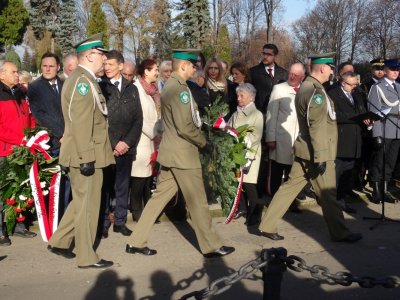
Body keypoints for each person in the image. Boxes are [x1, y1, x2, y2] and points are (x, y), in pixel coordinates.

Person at [125, 49, 234, 258]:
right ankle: (211, 245)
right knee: (198, 201)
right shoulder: (180, 89)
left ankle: (136, 241)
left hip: (172, 152)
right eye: (193, 65)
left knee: (158, 199)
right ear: (184, 65)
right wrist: (204, 142)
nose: (195, 69)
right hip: (183, 154)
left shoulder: (172, 86)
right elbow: (185, 125)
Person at [258, 52, 362, 243]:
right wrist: (322, 156)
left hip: (307, 149)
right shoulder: (315, 91)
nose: (332, 71)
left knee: (289, 188)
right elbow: (317, 126)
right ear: (323, 68)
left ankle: (267, 224)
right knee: (328, 193)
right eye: (331, 67)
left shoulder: (308, 87)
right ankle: (340, 233)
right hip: (317, 151)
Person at [47, 34, 115, 269]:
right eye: (100, 54)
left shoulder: (84, 79)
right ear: (88, 56)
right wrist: (87, 158)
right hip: (86, 155)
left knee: (80, 202)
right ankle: (86, 256)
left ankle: (60, 241)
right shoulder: (83, 82)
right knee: (88, 207)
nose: (104, 59)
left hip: (86, 152)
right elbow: (82, 122)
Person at [99, 50, 143, 238]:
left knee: (123, 186)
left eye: (110, 64)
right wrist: (114, 143)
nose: (106, 67)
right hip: (107, 147)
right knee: (105, 187)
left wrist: (127, 142)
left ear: (120, 66)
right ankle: (103, 224)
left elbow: (138, 119)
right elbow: (100, 120)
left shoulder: (132, 88)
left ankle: (120, 221)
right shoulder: (100, 87)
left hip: (126, 148)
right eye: (105, 64)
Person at [0, 60, 37, 246]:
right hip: (5, 151)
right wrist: (20, 140)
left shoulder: (20, 94)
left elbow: (28, 117)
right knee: (3, 192)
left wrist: (32, 135)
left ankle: (18, 225)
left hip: (22, 150)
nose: (17, 75)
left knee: (20, 189)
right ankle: (1, 230)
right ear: (2, 75)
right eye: (13, 72)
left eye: (17, 71)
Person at [328, 71, 371, 213]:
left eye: (356, 84)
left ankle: (341, 201)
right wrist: (356, 117)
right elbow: (334, 115)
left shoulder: (357, 95)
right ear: (343, 82)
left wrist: (367, 120)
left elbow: (362, 111)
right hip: (341, 139)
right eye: (351, 84)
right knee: (337, 173)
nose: (354, 87)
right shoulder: (334, 94)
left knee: (348, 174)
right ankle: (331, 203)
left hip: (355, 140)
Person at [265, 63, 306, 212]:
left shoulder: (306, 90)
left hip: (298, 140)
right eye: (291, 73)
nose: (292, 76)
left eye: (296, 74)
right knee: (277, 172)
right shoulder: (279, 89)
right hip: (281, 139)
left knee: (294, 174)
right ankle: (275, 204)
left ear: (302, 76)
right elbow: (271, 115)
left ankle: (291, 203)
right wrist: (270, 137)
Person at [130, 58, 162, 222]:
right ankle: (137, 211)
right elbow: (140, 118)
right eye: (155, 69)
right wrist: (156, 134)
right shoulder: (138, 88)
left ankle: (147, 212)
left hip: (151, 141)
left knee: (147, 179)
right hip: (141, 140)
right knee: (138, 179)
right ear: (145, 71)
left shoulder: (152, 90)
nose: (157, 72)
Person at [228, 83, 263, 226]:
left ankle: (254, 213)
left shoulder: (257, 114)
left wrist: (241, 142)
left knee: (249, 184)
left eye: (242, 96)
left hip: (249, 154)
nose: (238, 98)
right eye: (237, 95)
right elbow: (229, 128)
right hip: (236, 152)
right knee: (238, 182)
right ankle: (242, 208)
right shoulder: (236, 113)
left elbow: (256, 136)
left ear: (251, 98)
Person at [368, 59, 400, 204]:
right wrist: (377, 134)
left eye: (397, 70)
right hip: (385, 127)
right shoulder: (377, 87)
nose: (395, 72)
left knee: (390, 162)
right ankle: (376, 190)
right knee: (379, 161)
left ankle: (385, 189)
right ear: (386, 70)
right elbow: (374, 112)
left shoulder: (398, 87)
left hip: (397, 129)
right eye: (392, 69)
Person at [250, 43, 288, 113]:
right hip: (258, 113)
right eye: (264, 53)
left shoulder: (284, 73)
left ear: (275, 56)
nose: (265, 56)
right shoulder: (253, 72)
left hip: (278, 112)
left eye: (269, 54)